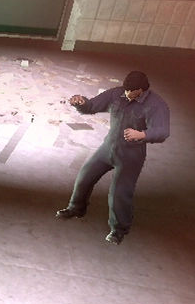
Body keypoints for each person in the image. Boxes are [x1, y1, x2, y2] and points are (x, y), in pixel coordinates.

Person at [57, 71, 170, 245]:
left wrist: (142, 134)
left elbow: (163, 131)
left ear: (141, 90)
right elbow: (92, 106)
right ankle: (76, 208)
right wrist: (82, 103)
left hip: (131, 154)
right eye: (126, 90)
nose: (127, 94)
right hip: (108, 147)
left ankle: (119, 229)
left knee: (119, 193)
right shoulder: (116, 94)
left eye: (132, 91)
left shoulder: (156, 105)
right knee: (85, 176)